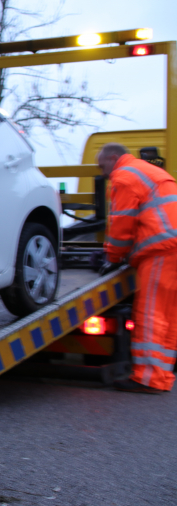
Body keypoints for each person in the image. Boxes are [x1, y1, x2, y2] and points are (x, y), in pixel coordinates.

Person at [97, 143, 177, 393]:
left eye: (103, 166)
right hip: (171, 245)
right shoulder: (148, 171)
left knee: (151, 315)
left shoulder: (125, 176)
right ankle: (160, 377)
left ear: (113, 158)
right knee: (168, 315)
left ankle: (149, 379)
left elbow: (122, 222)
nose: (104, 173)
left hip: (162, 248)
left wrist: (113, 257)